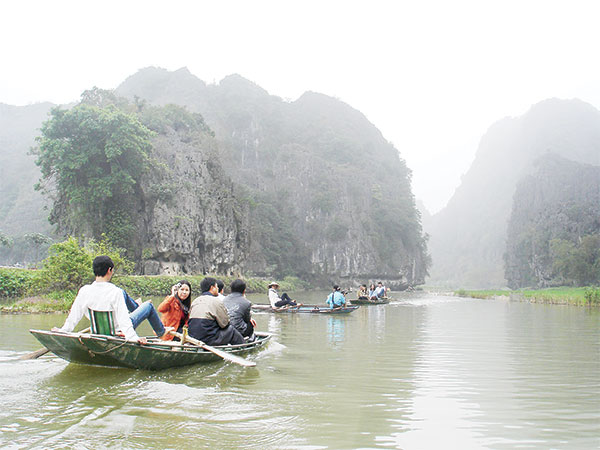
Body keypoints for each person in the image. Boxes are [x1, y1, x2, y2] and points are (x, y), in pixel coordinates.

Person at [52, 255, 169, 343]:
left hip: (97, 331)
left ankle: (136, 307)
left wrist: (64, 330)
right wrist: (134, 338)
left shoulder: (84, 290)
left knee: (123, 294)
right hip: (117, 331)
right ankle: (161, 332)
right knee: (148, 306)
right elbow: (124, 321)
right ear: (109, 270)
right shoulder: (115, 292)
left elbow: (74, 316)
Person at [187, 277, 245, 346]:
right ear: (212, 288)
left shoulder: (195, 301)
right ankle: (243, 347)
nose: (218, 289)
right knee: (231, 330)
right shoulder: (216, 301)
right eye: (217, 287)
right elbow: (224, 324)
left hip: (193, 338)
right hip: (209, 340)